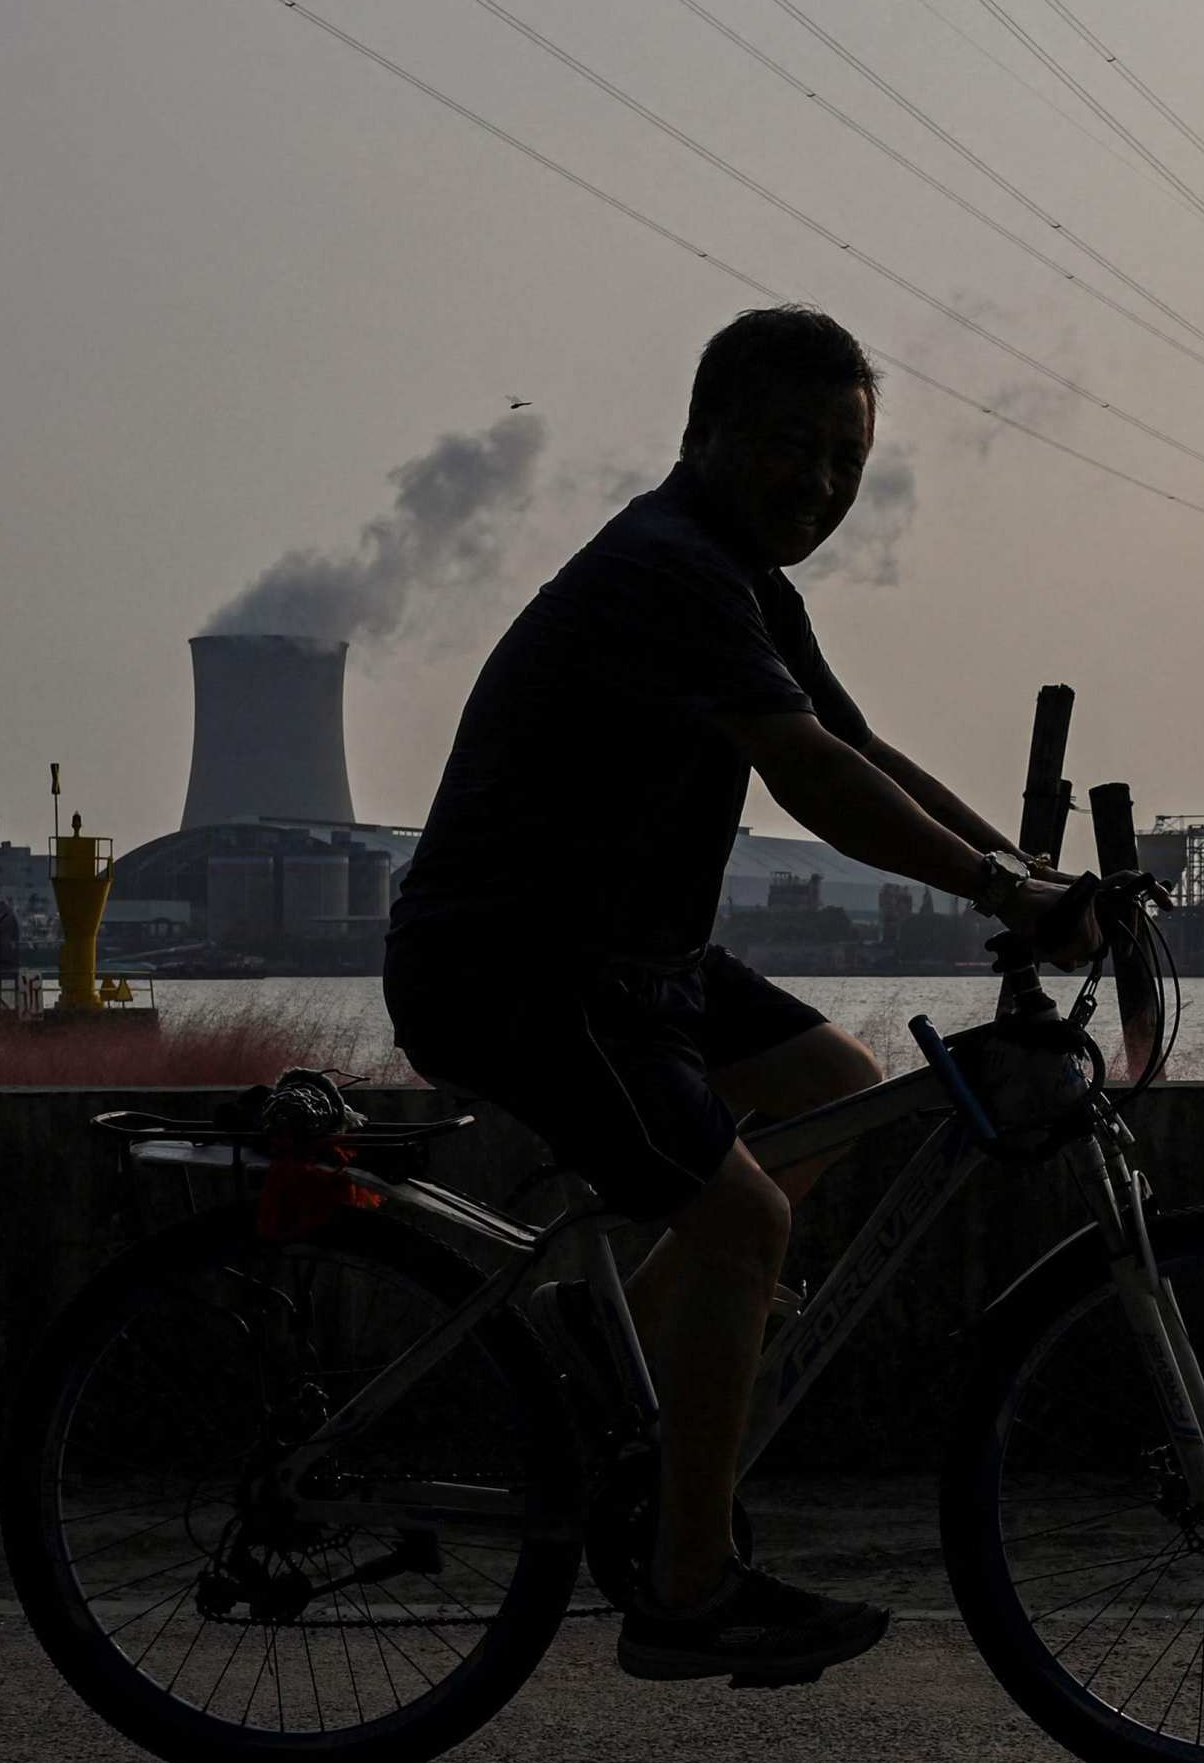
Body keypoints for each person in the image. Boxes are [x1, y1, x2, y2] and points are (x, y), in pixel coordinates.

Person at [382, 306, 1089, 1685]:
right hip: (522, 964)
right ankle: (685, 1588)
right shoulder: (670, 569)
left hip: (635, 963)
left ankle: (625, 1370)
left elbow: (857, 745)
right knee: (745, 1208)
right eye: (792, 448)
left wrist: (1026, 871)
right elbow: (812, 781)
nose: (820, 487)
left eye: (846, 461)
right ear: (704, 432)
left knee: (835, 1088)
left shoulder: (746, 582)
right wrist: (1008, 901)